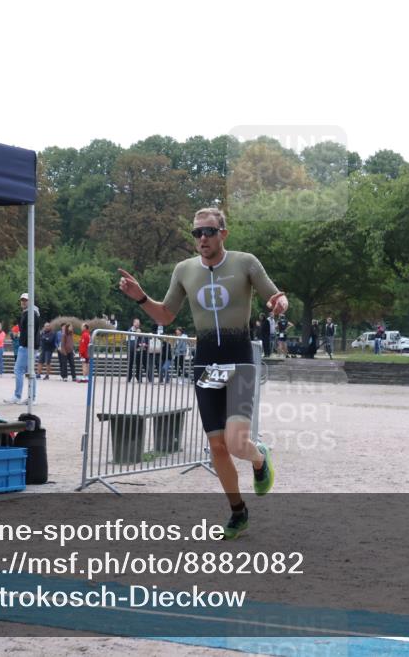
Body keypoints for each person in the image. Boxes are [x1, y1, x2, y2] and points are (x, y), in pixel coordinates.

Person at [117, 207, 285, 539]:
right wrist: (140, 298)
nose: (202, 238)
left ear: (223, 233)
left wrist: (280, 304)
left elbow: (276, 296)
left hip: (239, 361)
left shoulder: (245, 262)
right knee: (217, 446)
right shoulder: (184, 270)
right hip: (206, 364)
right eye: (197, 233)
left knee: (237, 443)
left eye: (208, 231)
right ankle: (238, 512)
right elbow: (165, 315)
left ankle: (259, 456)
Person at [4, 293, 41, 405]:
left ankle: (17, 396)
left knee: (18, 370)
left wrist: (25, 343)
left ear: (30, 301)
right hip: (29, 345)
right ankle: (31, 397)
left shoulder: (31, 313)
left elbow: (32, 331)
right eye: (22, 300)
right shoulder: (31, 312)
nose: (23, 302)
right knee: (30, 372)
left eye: (25, 300)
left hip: (27, 346)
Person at [126, 318, 145, 382]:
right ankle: (129, 378)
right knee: (130, 364)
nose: (138, 324)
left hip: (138, 350)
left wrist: (140, 335)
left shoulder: (140, 331)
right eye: (136, 323)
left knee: (139, 364)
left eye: (138, 323)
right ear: (133, 323)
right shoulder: (129, 331)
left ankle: (139, 378)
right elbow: (128, 341)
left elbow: (142, 340)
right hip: (131, 350)